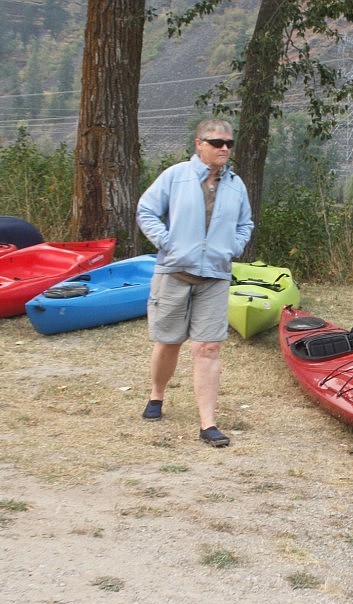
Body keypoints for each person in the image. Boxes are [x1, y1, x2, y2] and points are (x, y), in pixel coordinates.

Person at [137, 118, 254, 447]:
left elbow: (245, 223)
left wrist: (232, 248)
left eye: (229, 143)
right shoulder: (175, 176)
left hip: (215, 277)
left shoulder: (236, 185)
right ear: (199, 143)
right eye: (217, 143)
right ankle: (157, 395)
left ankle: (208, 423)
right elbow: (146, 210)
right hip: (174, 272)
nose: (225, 149)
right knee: (168, 342)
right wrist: (167, 241)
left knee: (208, 347)